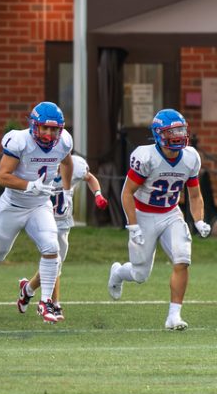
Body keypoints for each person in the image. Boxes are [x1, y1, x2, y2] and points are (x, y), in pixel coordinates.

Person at [0, 102, 74, 324]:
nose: (48, 133)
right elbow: (2, 176)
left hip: (39, 205)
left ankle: (45, 301)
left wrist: (66, 191)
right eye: (44, 128)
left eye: (53, 129)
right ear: (34, 126)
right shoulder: (20, 141)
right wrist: (29, 185)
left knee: (51, 247)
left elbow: (67, 163)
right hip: (13, 205)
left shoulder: (64, 141)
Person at [109, 109, 209, 330]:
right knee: (140, 274)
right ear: (158, 134)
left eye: (181, 131)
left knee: (182, 259)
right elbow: (127, 193)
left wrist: (199, 220)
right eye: (171, 132)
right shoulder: (146, 157)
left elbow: (194, 194)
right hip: (143, 214)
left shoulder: (190, 157)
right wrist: (133, 224)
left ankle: (174, 316)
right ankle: (118, 272)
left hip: (170, 213)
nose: (178, 136)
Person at [19, 153, 106, 317]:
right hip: (44, 222)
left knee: (55, 265)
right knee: (54, 261)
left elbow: (90, 178)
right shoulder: (37, 169)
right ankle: (53, 304)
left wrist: (98, 194)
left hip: (63, 224)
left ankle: (28, 289)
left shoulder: (75, 166)